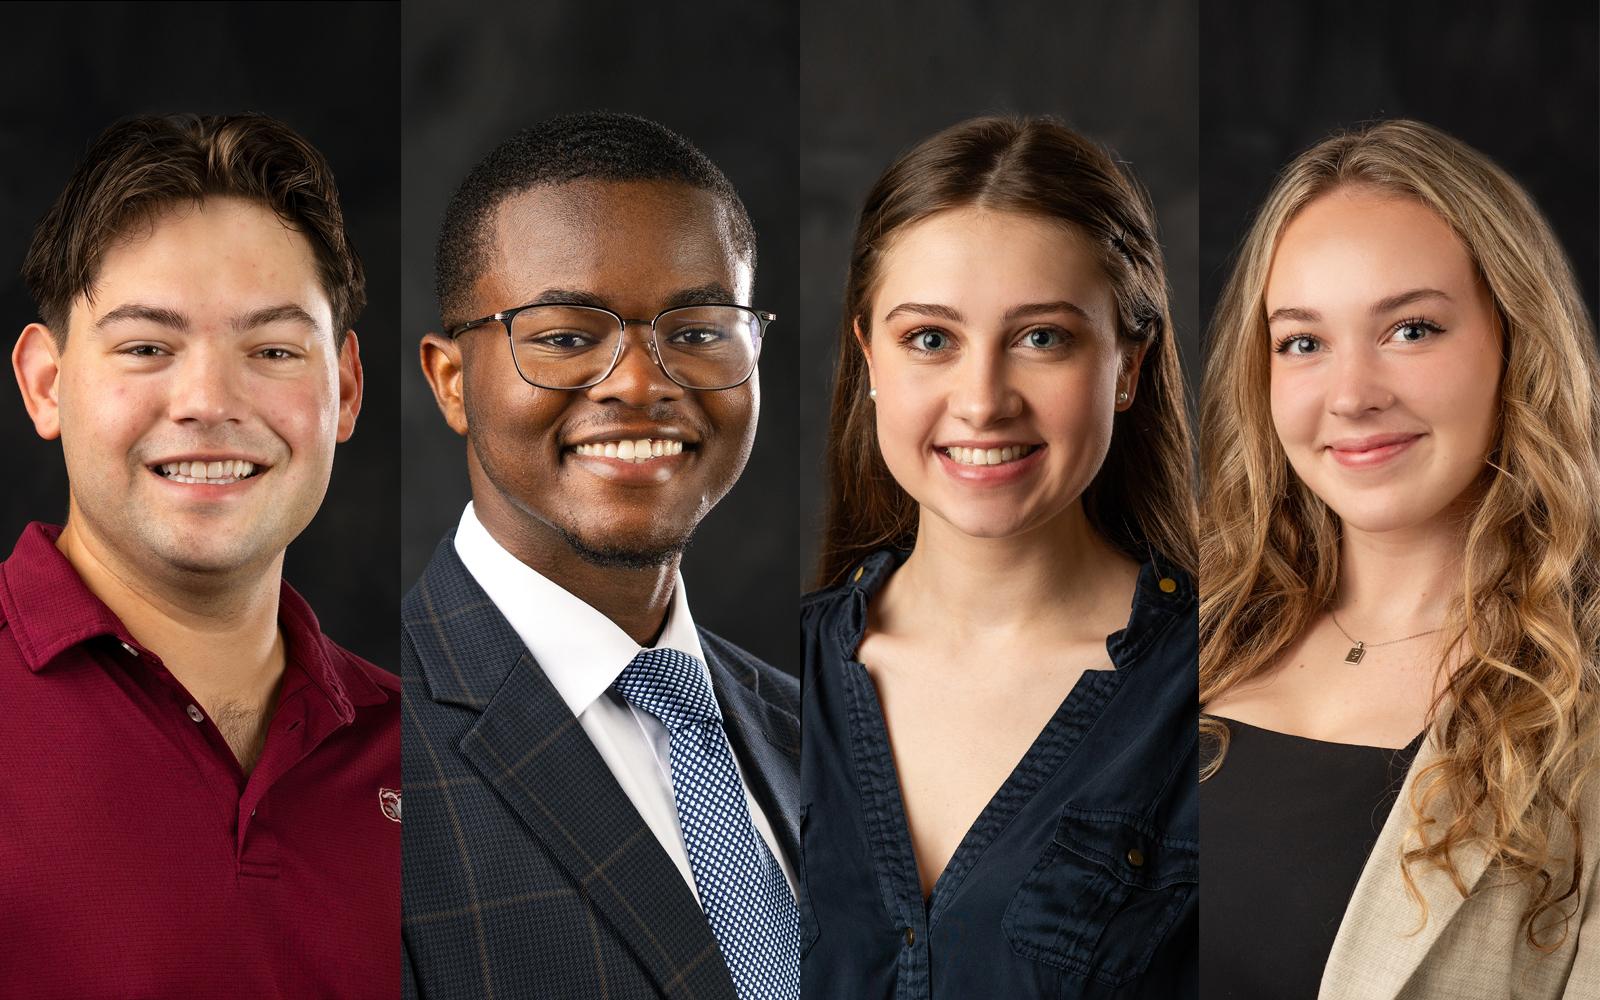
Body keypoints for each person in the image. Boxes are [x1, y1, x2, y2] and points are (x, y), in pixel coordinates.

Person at [1199, 119, 1600, 999]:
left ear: (1515, 342)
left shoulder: (1583, 718)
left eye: (1412, 330)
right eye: (1303, 342)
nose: (1352, 395)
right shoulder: (1174, 641)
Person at [402, 112, 799, 1000]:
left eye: (697, 330)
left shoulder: (817, 732)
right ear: (451, 381)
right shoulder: (371, 751)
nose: (639, 382)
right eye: (567, 336)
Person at [801, 116, 1199, 999]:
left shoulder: (1227, 683)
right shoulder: (758, 680)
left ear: (1128, 364)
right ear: (869, 357)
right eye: (930, 339)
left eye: (1043, 338)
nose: (981, 403)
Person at [1, 113, 398, 997]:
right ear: (45, 383)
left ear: (345, 391)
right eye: (148, 347)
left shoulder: (432, 760)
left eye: (272, 350)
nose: (209, 400)